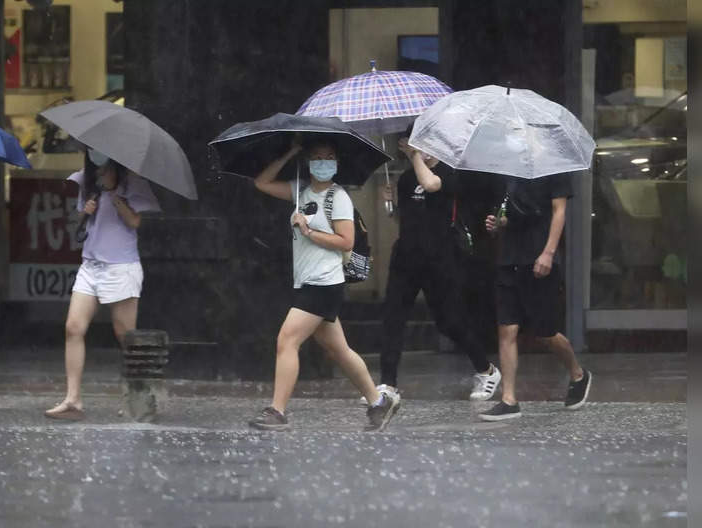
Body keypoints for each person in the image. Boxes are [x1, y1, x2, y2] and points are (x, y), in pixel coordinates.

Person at [248, 138, 402, 431]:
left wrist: (308, 230)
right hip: (307, 280)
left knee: (287, 341)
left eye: (329, 157)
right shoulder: (300, 192)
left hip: (324, 283)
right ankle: (378, 403)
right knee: (339, 350)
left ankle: (277, 411)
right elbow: (262, 183)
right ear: (308, 162)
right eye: (317, 157)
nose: (323, 162)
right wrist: (290, 151)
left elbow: (346, 241)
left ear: (337, 163)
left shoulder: (338, 197)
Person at [371, 136, 502, 404]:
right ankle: (388, 383)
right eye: (412, 144)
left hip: (440, 258)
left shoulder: (449, 172)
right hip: (407, 257)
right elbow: (405, 218)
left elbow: (431, 185)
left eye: (425, 144)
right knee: (393, 318)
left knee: (450, 321)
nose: (421, 151)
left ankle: (486, 370)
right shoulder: (407, 179)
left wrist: (416, 155)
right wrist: (391, 204)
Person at [44, 148, 160, 421]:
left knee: (126, 336)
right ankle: (73, 399)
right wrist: (86, 210)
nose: (96, 157)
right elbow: (80, 223)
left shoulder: (133, 182)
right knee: (73, 327)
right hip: (90, 264)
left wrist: (113, 194)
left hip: (121, 266)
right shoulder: (86, 180)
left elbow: (135, 222)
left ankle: (138, 397)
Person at [479, 174, 592, 420]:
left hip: (540, 257)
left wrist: (548, 253)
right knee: (506, 328)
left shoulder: (554, 168)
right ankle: (509, 399)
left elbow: (558, 212)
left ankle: (578, 374)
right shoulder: (508, 172)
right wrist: (499, 224)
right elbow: (513, 215)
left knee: (546, 333)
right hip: (509, 259)